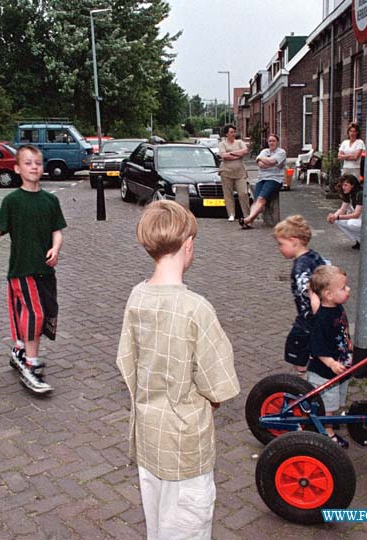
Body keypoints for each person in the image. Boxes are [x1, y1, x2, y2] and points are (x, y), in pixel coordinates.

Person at [116, 200, 240, 540]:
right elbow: (220, 384)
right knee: (187, 527)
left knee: (157, 526)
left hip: (148, 439)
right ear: (188, 245)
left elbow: (127, 362)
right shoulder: (196, 308)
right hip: (186, 447)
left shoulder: (136, 297)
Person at [0, 144, 66, 395]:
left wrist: (55, 249)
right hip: (22, 269)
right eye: (28, 163)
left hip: (45, 270)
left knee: (45, 312)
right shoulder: (12, 201)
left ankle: (19, 350)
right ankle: (31, 364)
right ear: (17, 168)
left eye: (37, 163)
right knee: (34, 314)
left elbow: (56, 231)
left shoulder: (51, 200)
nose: (34, 167)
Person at [274, 214, 327, 379]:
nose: (279, 248)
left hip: (309, 319)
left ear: (293, 241)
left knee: (295, 345)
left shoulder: (301, 267)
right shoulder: (315, 256)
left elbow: (310, 296)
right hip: (317, 315)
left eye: (281, 244)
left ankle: (303, 377)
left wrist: (317, 319)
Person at [307, 265, 353, 448]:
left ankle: (330, 422)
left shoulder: (337, 307)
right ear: (328, 294)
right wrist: (331, 363)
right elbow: (317, 347)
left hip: (341, 368)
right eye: (343, 288)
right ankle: (327, 433)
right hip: (326, 372)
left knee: (338, 398)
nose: (348, 290)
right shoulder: (322, 318)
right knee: (328, 404)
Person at [239, 134, 286, 229]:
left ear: (277, 142)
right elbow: (261, 164)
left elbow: (271, 162)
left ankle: (248, 220)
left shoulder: (281, 152)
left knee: (261, 199)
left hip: (274, 179)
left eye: (273, 141)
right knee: (256, 201)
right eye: (270, 141)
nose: (271, 143)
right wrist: (269, 162)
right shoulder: (264, 151)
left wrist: (264, 160)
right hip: (261, 178)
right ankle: (249, 222)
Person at [218, 124, 250, 222]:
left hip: (240, 172)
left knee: (243, 193)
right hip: (226, 172)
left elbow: (245, 151)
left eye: (234, 132)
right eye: (231, 132)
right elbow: (223, 155)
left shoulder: (240, 142)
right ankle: (231, 214)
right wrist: (237, 155)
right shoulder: (222, 144)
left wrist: (231, 153)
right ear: (226, 134)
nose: (233, 134)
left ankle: (247, 214)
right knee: (228, 194)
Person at [327, 174, 363, 249]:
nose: (343, 187)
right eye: (343, 185)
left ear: (352, 185)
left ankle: (364, 240)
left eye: (346, 185)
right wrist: (333, 216)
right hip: (359, 219)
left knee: (351, 223)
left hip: (366, 221)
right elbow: (342, 209)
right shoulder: (348, 194)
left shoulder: (360, 194)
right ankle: (359, 240)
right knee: (336, 221)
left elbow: (356, 214)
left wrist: (338, 217)